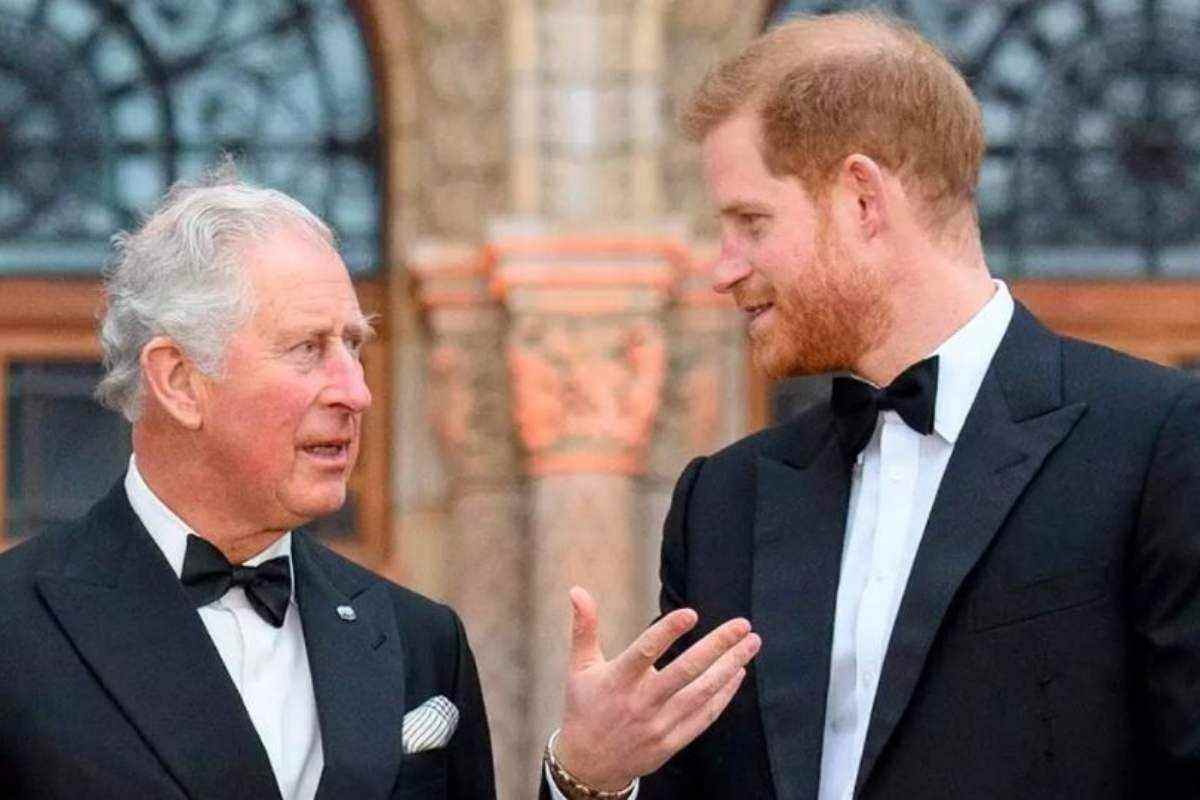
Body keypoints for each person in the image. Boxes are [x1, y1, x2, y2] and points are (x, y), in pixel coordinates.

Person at [542, 11, 1200, 800]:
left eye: (751, 222)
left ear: (861, 199)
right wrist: (590, 776)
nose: (723, 269)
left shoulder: (1159, 442)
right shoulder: (721, 502)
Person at [0, 171, 495, 800]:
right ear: (179, 381)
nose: (356, 391)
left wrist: (583, 781)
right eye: (309, 348)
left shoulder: (422, 640)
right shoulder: (15, 629)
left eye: (353, 345)